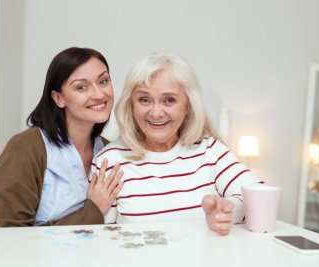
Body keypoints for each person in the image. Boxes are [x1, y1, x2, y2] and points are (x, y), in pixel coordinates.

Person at [91, 52, 262, 235]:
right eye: (144, 100)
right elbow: (101, 242)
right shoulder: (108, 163)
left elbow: (260, 196)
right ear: (131, 104)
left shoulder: (210, 150)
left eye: (169, 100)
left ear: (188, 105)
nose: (156, 113)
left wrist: (227, 211)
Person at [0, 47, 123, 227]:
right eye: (81, 87)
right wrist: (93, 211)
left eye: (103, 81)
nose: (99, 94)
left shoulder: (108, 151)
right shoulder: (26, 148)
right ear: (58, 98)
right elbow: (8, 237)